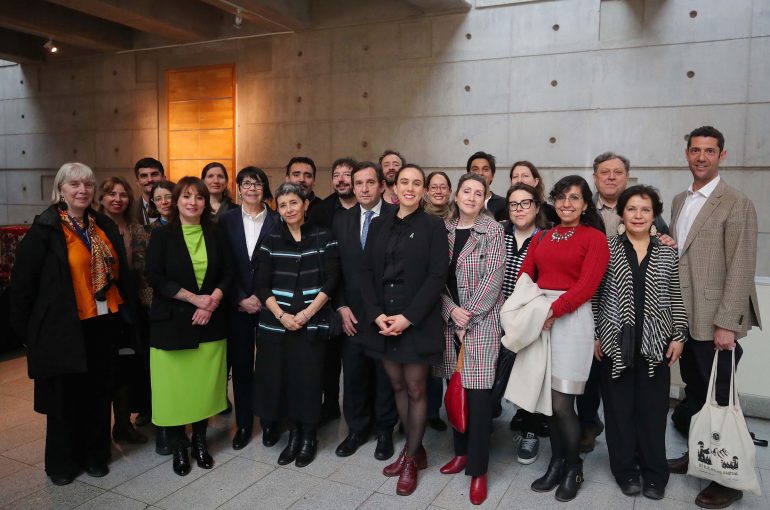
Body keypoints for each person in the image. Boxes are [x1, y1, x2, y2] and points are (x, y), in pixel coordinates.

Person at [10, 162, 133, 485]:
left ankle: (95, 455)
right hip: (63, 329)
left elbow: (120, 274)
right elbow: (23, 285)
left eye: (88, 185)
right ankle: (62, 464)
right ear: (61, 189)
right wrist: (28, 333)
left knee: (97, 394)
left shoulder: (101, 225)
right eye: (75, 184)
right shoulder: (46, 229)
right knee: (64, 399)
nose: (82, 191)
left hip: (102, 324)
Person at [667, 126, 761, 509]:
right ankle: (698, 457)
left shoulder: (736, 202)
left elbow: (741, 266)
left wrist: (727, 323)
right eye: (695, 150)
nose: (701, 157)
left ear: (722, 155)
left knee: (721, 398)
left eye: (709, 151)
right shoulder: (679, 200)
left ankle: (729, 479)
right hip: (686, 318)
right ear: (686, 154)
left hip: (715, 319)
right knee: (695, 395)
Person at [360, 164, 449, 496]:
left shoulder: (433, 226)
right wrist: (376, 314)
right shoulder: (379, 222)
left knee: (415, 389)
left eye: (417, 183)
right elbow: (366, 272)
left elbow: (436, 276)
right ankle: (416, 450)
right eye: (404, 182)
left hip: (417, 321)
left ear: (424, 189)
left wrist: (407, 318)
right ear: (393, 187)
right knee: (396, 384)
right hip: (383, 321)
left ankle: (411, 458)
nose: (409, 188)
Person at [594, 185, 687, 500]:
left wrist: (679, 335)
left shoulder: (665, 250)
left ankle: (654, 473)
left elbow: (675, 294)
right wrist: (596, 334)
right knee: (619, 413)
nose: (638, 215)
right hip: (614, 342)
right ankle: (625, 471)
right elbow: (595, 295)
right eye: (632, 208)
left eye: (645, 210)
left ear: (654, 215)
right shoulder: (605, 247)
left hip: (655, 345)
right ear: (621, 212)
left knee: (652, 412)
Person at [521, 175, 609, 502]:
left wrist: (552, 311)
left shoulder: (595, 238)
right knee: (548, 402)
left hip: (571, 322)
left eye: (574, 198)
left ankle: (574, 467)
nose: (566, 203)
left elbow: (587, 287)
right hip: (541, 319)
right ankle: (556, 463)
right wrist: (531, 308)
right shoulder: (542, 236)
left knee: (562, 401)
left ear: (586, 204)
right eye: (560, 197)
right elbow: (526, 275)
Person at [145, 177, 232, 476]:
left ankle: (199, 441)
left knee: (203, 389)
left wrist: (212, 302)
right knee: (174, 391)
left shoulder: (216, 232)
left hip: (210, 324)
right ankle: (178, 446)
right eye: (186, 197)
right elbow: (154, 276)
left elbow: (228, 273)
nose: (192, 202)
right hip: (171, 324)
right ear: (176, 201)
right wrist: (196, 300)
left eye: (199, 197)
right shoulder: (161, 235)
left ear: (206, 203)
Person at [253, 182, 339, 468]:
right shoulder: (271, 239)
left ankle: (308, 437)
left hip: (311, 323)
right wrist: (282, 315)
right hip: (277, 325)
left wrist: (306, 315)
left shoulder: (324, 236)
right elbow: (261, 284)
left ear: (305, 205)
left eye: (294, 202)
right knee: (284, 380)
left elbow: (332, 280)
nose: (289, 209)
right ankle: (292, 434)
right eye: (283, 204)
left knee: (309, 381)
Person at [438, 173, 505, 506]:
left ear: (485, 198)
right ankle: (461, 453)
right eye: (467, 191)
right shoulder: (443, 231)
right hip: (450, 324)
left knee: (478, 401)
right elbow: (435, 279)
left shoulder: (492, 231)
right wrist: (452, 312)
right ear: (457, 194)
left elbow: (493, 279)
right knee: (456, 392)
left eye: (479, 193)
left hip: (482, 324)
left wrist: (469, 316)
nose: (472, 197)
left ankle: (479, 469)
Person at [332, 161, 398, 460]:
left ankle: (384, 430)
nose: (364, 188)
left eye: (370, 182)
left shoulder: (397, 217)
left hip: (386, 315)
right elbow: (337, 270)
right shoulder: (342, 220)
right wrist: (341, 305)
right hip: (353, 315)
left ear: (382, 185)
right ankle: (357, 429)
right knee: (355, 375)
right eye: (359, 183)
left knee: (385, 378)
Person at [219, 166, 278, 450]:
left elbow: (281, 265)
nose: (252, 188)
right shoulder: (225, 220)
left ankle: (269, 421)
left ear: (265, 189)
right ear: (238, 188)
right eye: (246, 183)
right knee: (241, 366)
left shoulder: (278, 220)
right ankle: (243, 424)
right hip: (238, 305)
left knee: (269, 366)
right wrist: (240, 297)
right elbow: (221, 264)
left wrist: (263, 298)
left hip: (271, 306)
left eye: (257, 184)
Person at [500, 183, 550, 465]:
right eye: (514, 204)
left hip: (531, 320)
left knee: (531, 377)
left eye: (525, 203)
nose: (519, 209)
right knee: (496, 378)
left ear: (536, 206)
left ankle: (530, 431)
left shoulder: (546, 238)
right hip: (497, 316)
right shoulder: (499, 235)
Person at [306, 157, 359, 425]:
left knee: (354, 363)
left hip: (358, 298)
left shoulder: (368, 210)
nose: (340, 179)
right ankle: (329, 406)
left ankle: (357, 417)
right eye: (336, 174)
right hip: (325, 296)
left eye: (346, 174)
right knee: (327, 358)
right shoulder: (322, 211)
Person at [96, 177, 148, 445]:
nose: (118, 199)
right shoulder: (91, 227)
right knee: (104, 367)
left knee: (127, 364)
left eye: (123, 194)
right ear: (101, 198)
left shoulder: (135, 229)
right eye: (111, 194)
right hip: (99, 308)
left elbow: (141, 271)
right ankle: (98, 431)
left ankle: (123, 423)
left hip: (129, 306)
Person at [422, 171, 452, 431]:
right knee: (431, 360)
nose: (439, 191)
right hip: (428, 297)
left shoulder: (458, 216)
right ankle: (430, 412)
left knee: (452, 362)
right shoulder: (419, 217)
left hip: (453, 295)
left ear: (450, 191)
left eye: (443, 187)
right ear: (426, 191)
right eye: (434, 186)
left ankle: (454, 409)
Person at [509, 160, 559, 226]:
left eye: (525, 176)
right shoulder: (505, 209)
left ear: (535, 181)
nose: (519, 180)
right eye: (515, 176)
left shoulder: (550, 212)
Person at [467, 151, 506, 221]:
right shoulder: (461, 203)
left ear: (492, 176)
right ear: (468, 175)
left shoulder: (504, 204)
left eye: (485, 169)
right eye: (475, 169)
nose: (480, 173)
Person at [132, 157, 165, 225]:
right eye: (144, 176)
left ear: (164, 179)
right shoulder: (130, 210)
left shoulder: (178, 207)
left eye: (154, 174)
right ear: (138, 183)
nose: (150, 180)